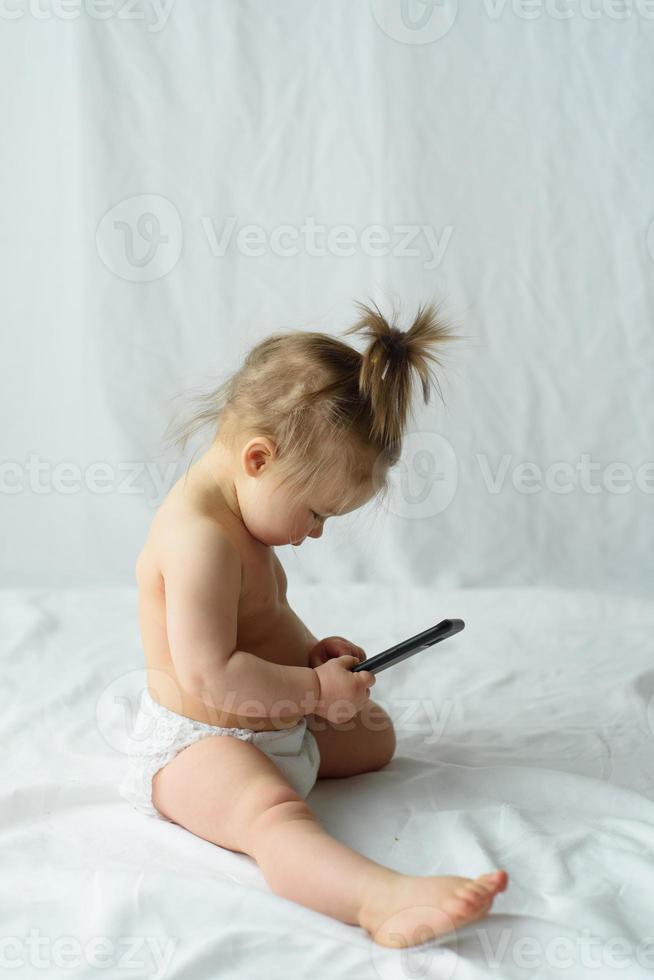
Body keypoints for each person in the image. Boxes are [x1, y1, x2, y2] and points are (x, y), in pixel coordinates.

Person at [118, 298, 508, 947]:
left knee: (374, 738)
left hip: (271, 717)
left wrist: (311, 657)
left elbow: (260, 615)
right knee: (274, 816)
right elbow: (211, 675)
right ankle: (379, 899)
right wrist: (315, 694)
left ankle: (308, 745)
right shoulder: (199, 541)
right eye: (317, 512)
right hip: (200, 744)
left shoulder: (241, 514)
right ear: (258, 460)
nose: (317, 533)